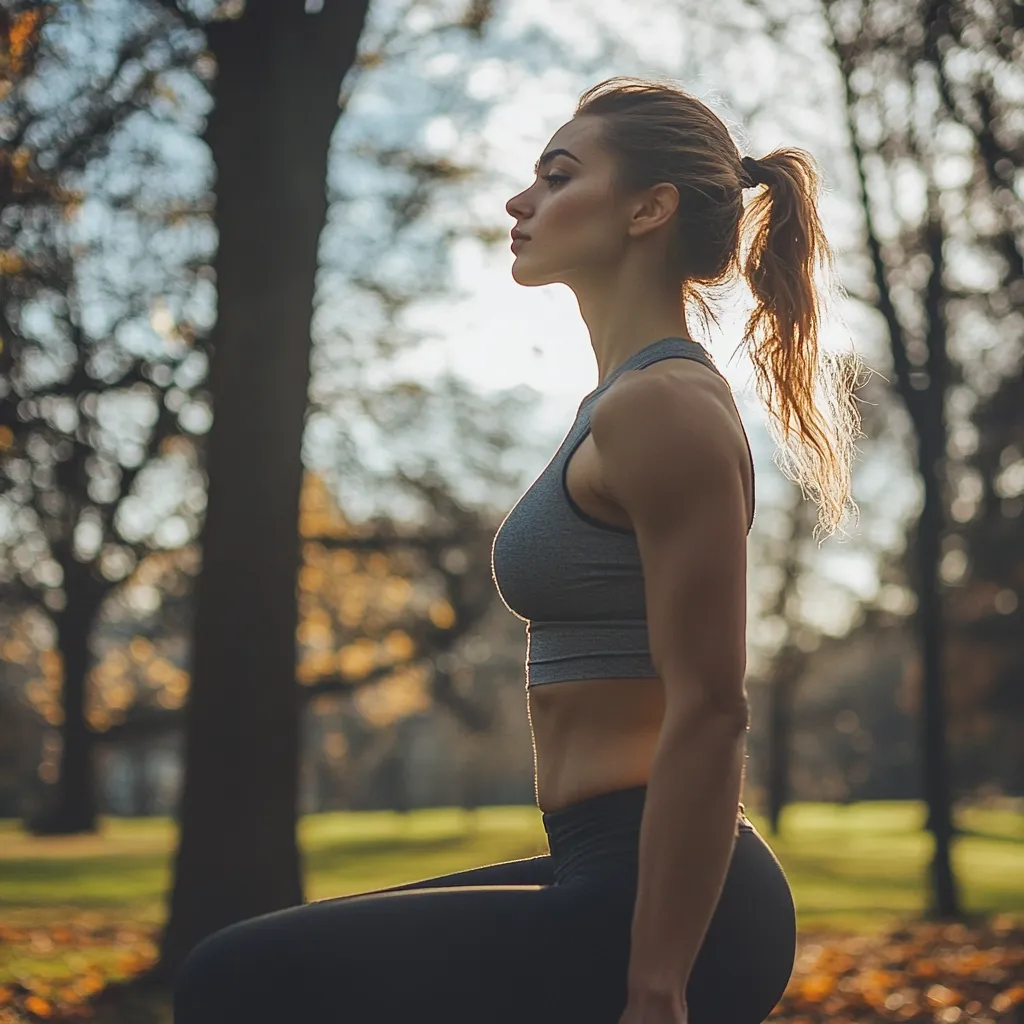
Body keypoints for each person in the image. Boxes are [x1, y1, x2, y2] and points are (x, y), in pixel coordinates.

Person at [173, 75, 863, 1024]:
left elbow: (711, 707)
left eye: (558, 174)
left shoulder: (664, 407)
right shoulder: (623, 404)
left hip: (663, 903)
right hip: (597, 868)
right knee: (247, 974)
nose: (519, 199)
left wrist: (658, 982)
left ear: (648, 208)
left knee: (236, 980)